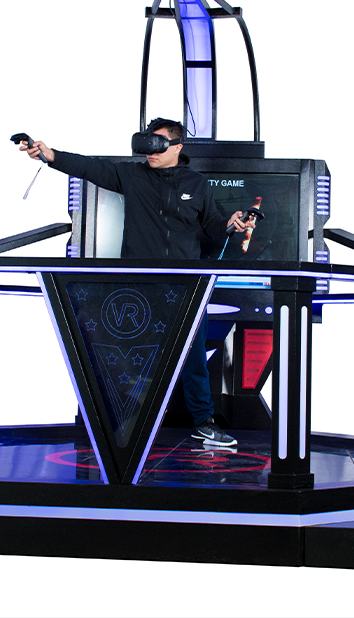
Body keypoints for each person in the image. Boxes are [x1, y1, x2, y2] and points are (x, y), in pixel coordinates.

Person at [19, 118, 253, 446]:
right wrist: (50, 155)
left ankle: (204, 422)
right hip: (140, 287)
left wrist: (230, 223)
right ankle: (124, 432)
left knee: (193, 359)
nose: (150, 153)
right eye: (146, 145)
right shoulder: (132, 175)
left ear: (177, 147)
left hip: (188, 287)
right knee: (134, 359)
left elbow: (213, 224)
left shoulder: (197, 183)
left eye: (158, 145)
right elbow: (90, 168)